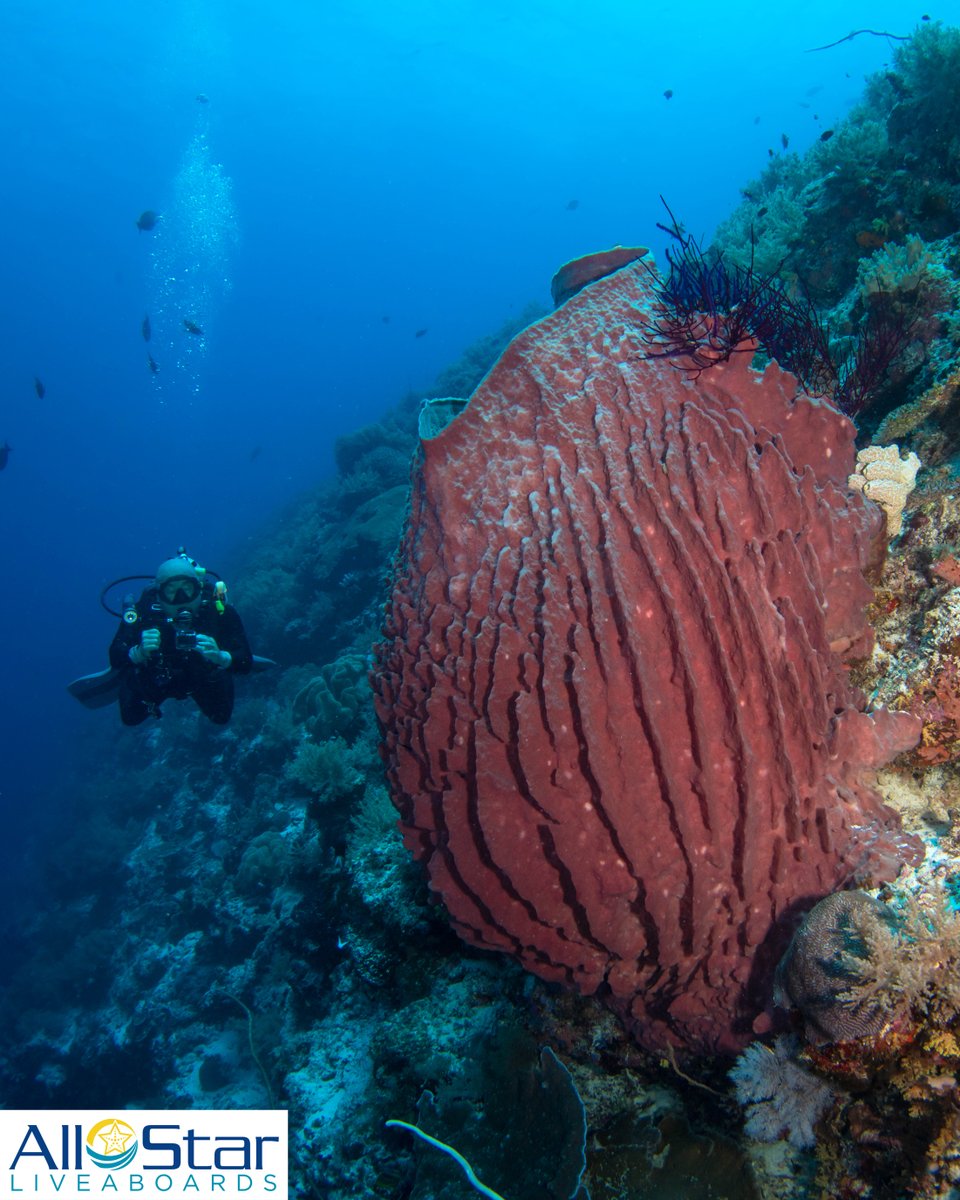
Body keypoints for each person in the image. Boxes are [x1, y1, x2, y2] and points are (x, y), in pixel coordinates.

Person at [109, 554, 252, 726]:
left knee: (221, 717)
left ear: (199, 589)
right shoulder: (144, 615)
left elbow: (246, 661)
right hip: (157, 678)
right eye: (171, 590)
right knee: (130, 718)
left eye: (187, 588)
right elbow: (115, 656)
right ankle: (136, 678)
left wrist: (221, 657)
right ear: (159, 595)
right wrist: (138, 653)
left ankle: (216, 672)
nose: (181, 598)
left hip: (200, 677)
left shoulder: (218, 611)